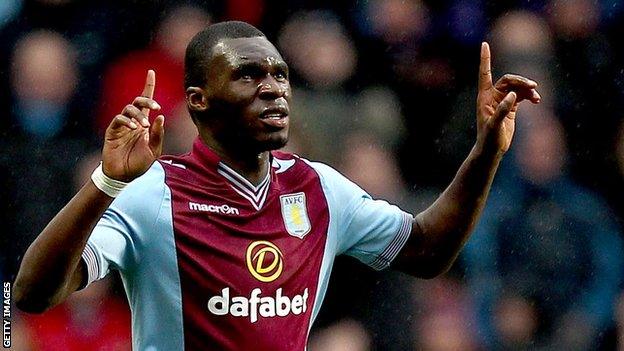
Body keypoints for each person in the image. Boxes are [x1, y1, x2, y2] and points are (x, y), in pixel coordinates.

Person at [13, 21, 540, 350]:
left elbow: (427, 251)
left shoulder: (318, 187)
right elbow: (35, 294)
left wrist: (485, 152)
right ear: (198, 99)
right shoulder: (153, 193)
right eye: (247, 75)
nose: (273, 88)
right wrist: (105, 183)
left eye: (280, 73)